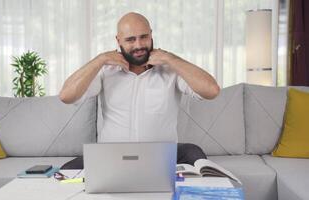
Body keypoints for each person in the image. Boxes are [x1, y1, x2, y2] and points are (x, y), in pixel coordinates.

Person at [59, 12, 220, 168]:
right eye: (130, 39)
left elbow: (212, 91)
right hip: (113, 157)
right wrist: (100, 59)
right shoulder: (106, 70)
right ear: (118, 40)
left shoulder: (170, 68)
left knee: (193, 153)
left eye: (144, 37)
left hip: (160, 157)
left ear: (151, 35)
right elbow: (66, 96)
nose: (139, 45)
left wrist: (170, 58)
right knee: (67, 170)